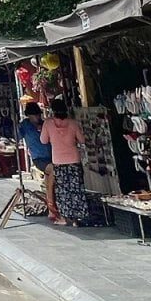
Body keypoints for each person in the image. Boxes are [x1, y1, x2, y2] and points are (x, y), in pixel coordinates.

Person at [41, 96, 87, 224]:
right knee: (76, 190)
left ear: (52, 110)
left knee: (63, 191)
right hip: (74, 160)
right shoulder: (73, 123)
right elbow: (82, 140)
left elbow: (43, 140)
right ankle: (77, 219)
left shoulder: (48, 123)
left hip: (59, 161)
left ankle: (65, 218)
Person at [19, 100, 56, 220]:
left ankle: (52, 203)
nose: (37, 117)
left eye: (38, 115)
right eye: (35, 115)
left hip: (52, 155)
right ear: (29, 116)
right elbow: (17, 136)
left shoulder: (45, 124)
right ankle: (51, 205)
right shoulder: (25, 125)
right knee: (53, 170)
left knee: (52, 179)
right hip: (39, 158)